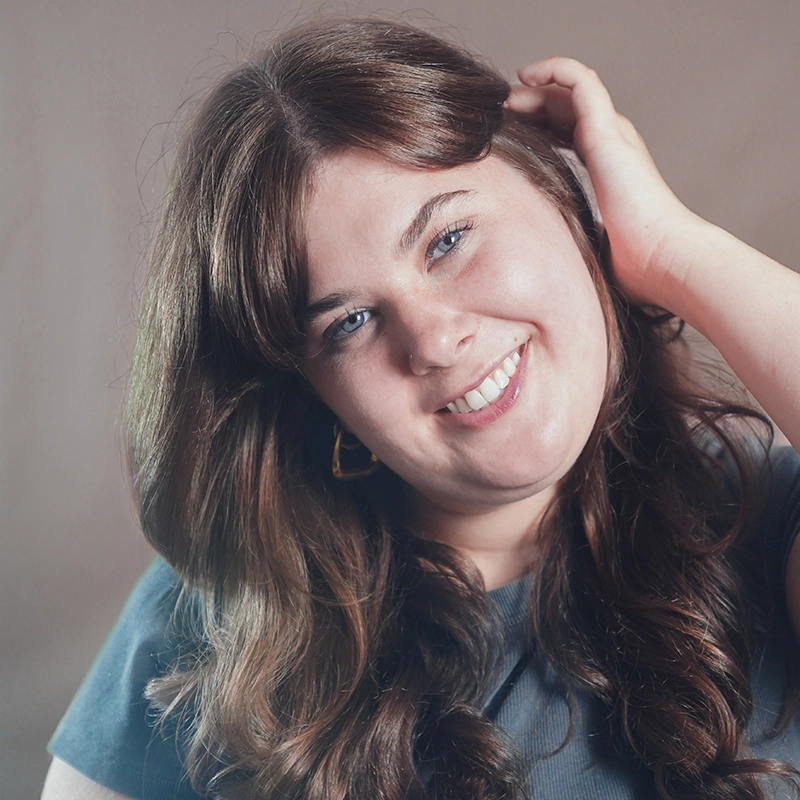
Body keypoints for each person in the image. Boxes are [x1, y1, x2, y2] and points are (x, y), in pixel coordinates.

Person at [42, 17, 800, 800]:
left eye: (448, 240)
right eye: (350, 323)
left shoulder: (762, 521)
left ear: (560, 193)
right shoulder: (217, 620)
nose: (434, 341)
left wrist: (671, 249)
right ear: (318, 395)